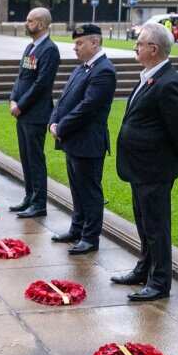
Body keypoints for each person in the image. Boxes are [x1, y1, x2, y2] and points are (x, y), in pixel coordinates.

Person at [110, 21, 178, 301]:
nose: (136, 47)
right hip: (139, 167)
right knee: (144, 225)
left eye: (139, 43)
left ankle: (159, 282)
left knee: (156, 227)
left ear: (153, 49)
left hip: (154, 169)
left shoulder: (168, 82)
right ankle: (144, 268)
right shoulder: (150, 75)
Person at [49, 23, 117, 255]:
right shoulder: (83, 68)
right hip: (73, 140)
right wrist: (53, 121)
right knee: (77, 189)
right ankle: (77, 229)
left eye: (79, 43)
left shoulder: (104, 71)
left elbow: (88, 107)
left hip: (88, 142)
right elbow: (64, 97)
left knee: (89, 192)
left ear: (95, 43)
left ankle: (90, 237)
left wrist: (62, 126)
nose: (75, 48)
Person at [9, 7, 60, 218]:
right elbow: (21, 77)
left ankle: (39, 204)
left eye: (29, 21)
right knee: (26, 158)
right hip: (22, 112)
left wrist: (21, 105)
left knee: (35, 159)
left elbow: (41, 84)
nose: (26, 23)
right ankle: (29, 197)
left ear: (40, 24)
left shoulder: (49, 50)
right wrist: (13, 98)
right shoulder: (31, 47)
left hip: (35, 114)